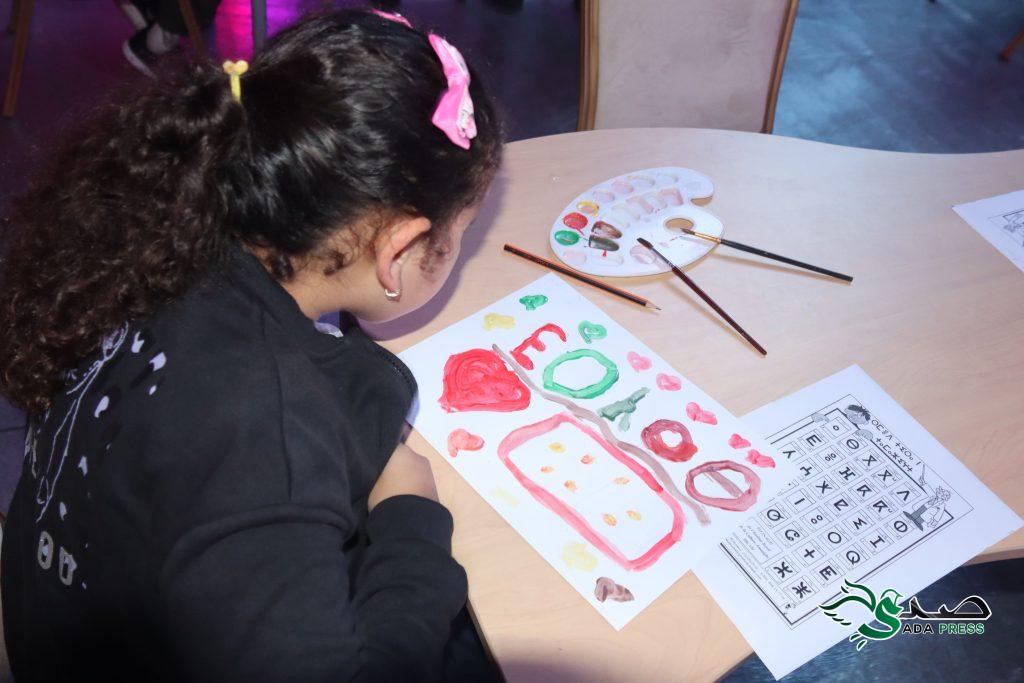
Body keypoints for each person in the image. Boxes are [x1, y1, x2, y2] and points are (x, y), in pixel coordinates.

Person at [0, 8, 502, 682]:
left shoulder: (160, 224)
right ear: (398, 250)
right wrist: (411, 517)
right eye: (461, 232)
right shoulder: (264, 443)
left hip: (56, 612)